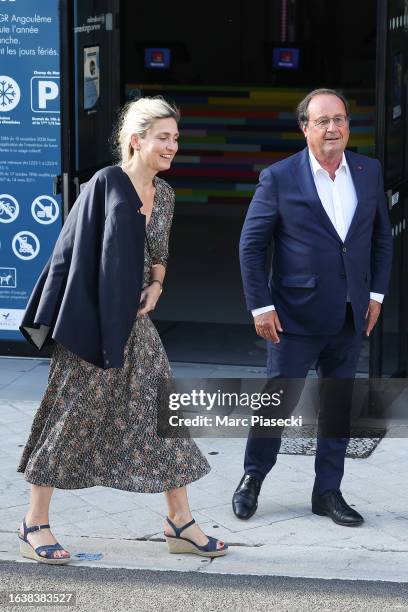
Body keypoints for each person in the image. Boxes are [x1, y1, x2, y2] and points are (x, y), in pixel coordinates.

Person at [16, 96, 228, 564]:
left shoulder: (166, 195)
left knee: (164, 417)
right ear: (137, 140)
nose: (172, 146)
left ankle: (180, 522)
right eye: (163, 137)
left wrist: (156, 284)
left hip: (135, 323)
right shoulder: (106, 184)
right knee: (69, 415)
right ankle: (34, 521)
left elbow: (159, 253)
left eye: (175, 138)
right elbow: (71, 251)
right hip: (92, 322)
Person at [233, 88, 393, 526]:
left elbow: (381, 237)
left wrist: (375, 295)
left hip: (350, 314)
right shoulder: (280, 178)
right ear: (305, 127)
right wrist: (260, 307)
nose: (332, 128)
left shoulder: (368, 170)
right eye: (322, 121)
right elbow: (251, 246)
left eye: (339, 119)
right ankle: (252, 478)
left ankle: (327, 492)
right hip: (293, 316)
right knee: (277, 402)